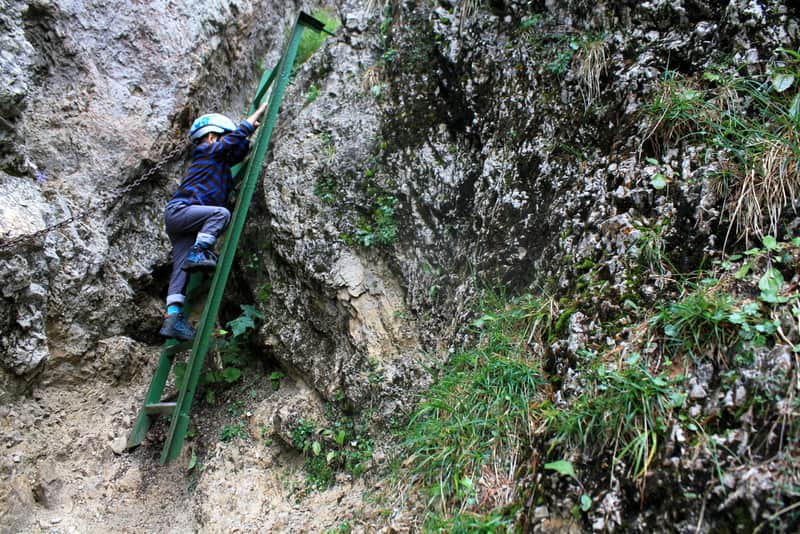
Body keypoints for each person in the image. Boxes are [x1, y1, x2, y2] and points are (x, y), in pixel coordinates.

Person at [159, 103, 268, 341]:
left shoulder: (215, 163)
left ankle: (173, 318)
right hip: (183, 211)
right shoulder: (205, 151)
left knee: (180, 268)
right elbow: (230, 144)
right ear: (211, 137)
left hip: (180, 220)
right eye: (222, 138)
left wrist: (245, 143)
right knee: (220, 214)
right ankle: (200, 251)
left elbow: (235, 150)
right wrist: (251, 121)